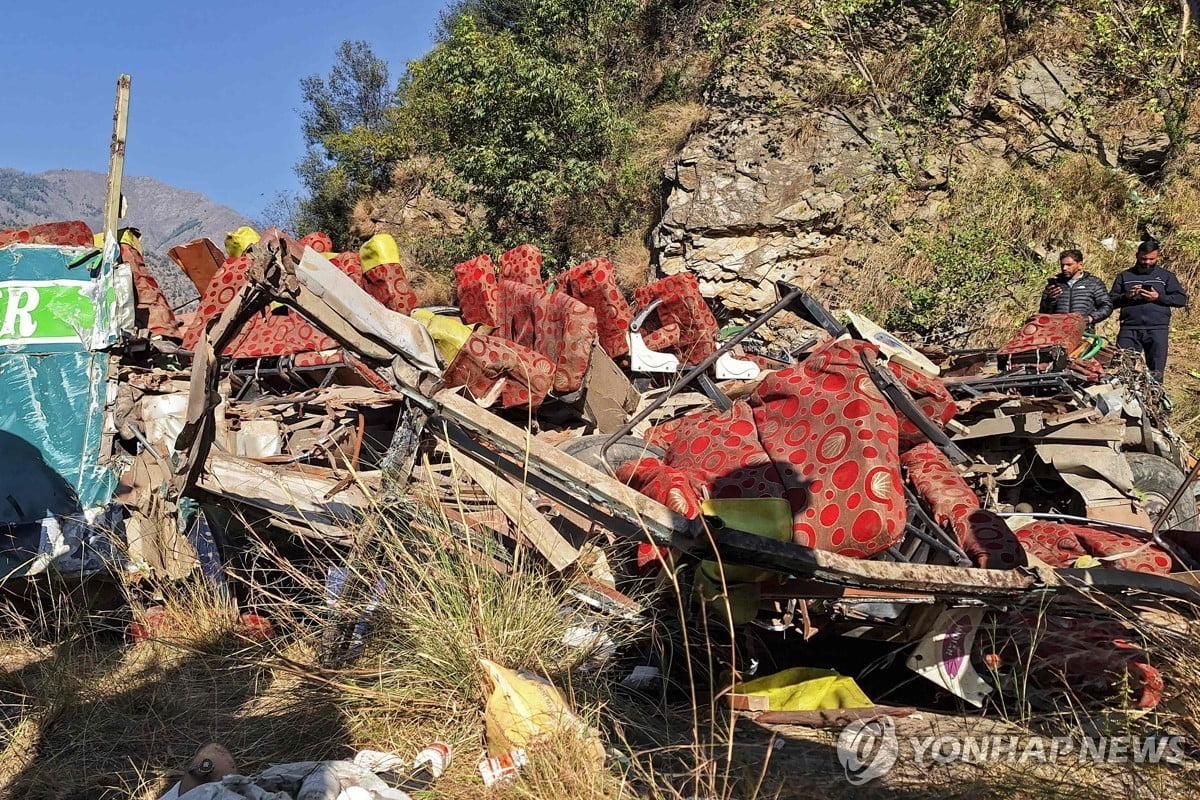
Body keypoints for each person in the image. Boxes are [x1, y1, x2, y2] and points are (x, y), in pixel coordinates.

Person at [1109, 239, 1188, 379]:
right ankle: (1126, 398)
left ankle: (1154, 399)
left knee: (1156, 371)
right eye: (1144, 258)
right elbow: (1110, 302)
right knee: (1123, 369)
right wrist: (1127, 296)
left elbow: (1181, 300)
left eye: (1151, 259)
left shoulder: (1166, 276)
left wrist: (1158, 297)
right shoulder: (1125, 276)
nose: (1147, 262)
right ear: (1137, 255)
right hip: (1129, 329)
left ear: (1158, 257)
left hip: (1157, 329)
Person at [1039, 249, 1112, 330]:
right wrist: (1050, 300)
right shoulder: (1054, 285)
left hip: (1083, 332)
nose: (1064, 268)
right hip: (1057, 331)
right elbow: (1043, 312)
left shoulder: (1094, 283)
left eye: (1069, 265)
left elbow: (1107, 305)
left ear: (1080, 265)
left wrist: (1090, 318)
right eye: (1062, 265)